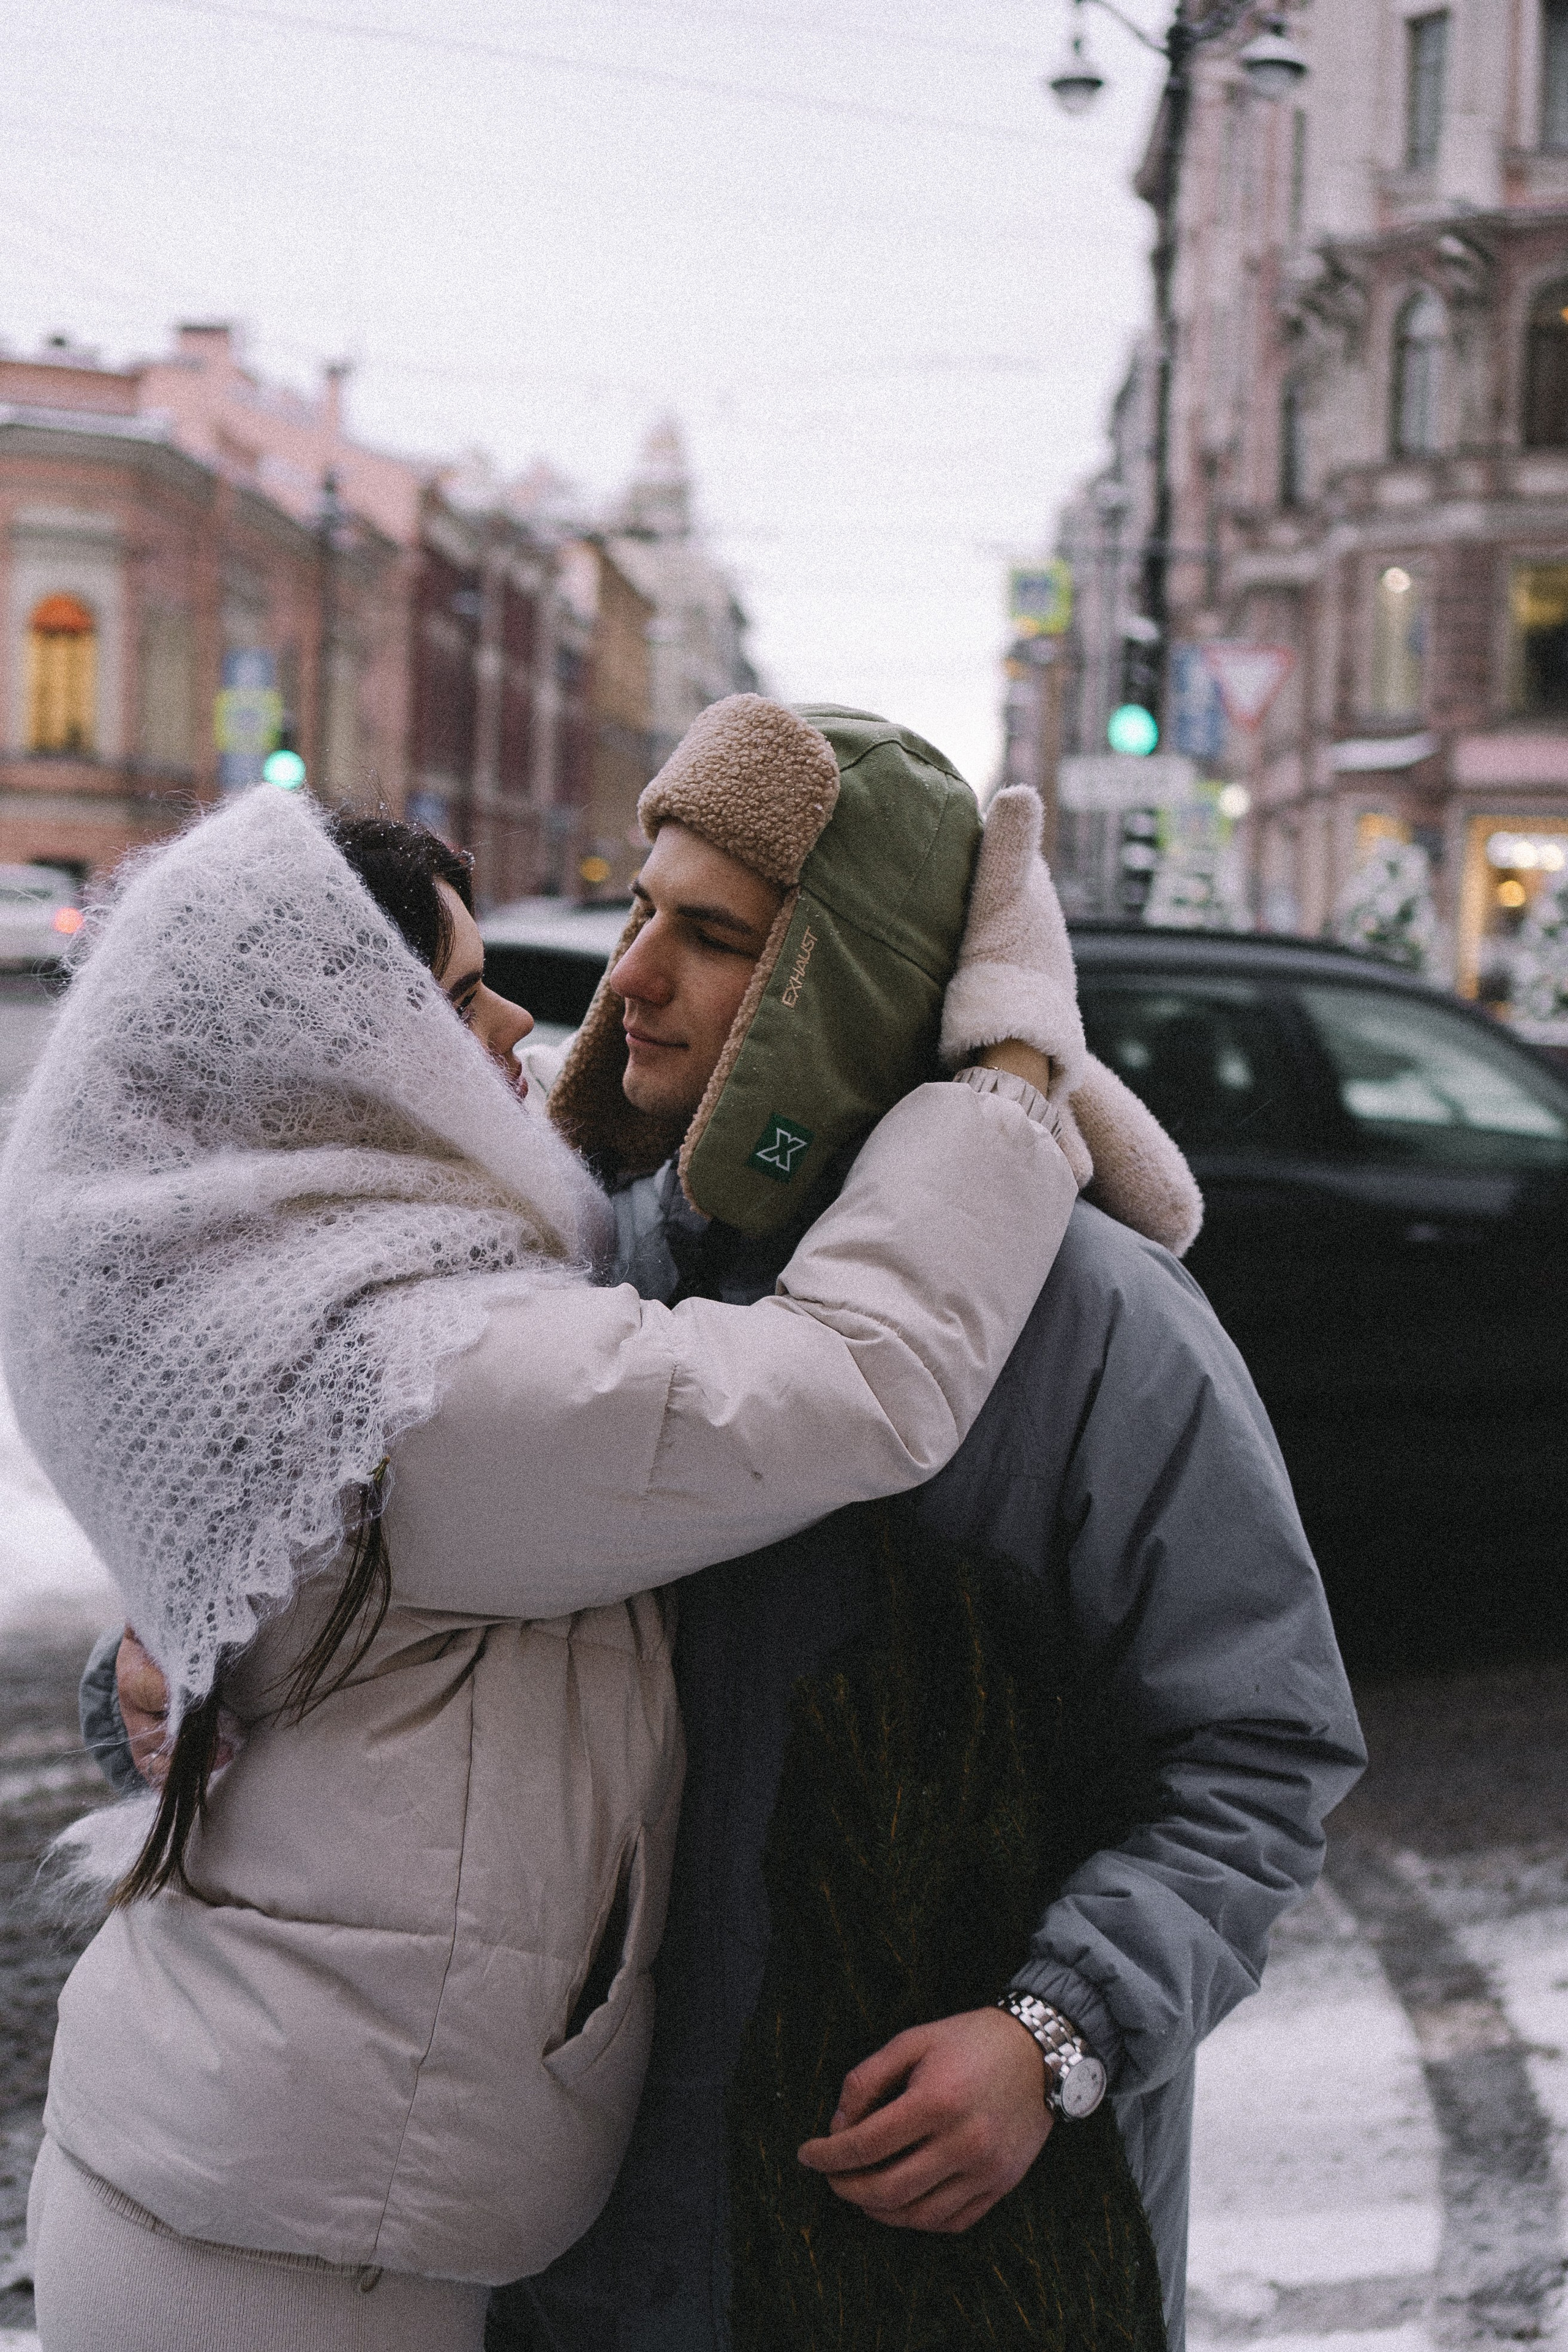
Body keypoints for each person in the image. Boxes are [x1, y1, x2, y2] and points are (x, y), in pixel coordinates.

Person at [11, 767, 1084, 2352]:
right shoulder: (419, 1377)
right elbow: (854, 1383)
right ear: (344, 1063)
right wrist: (1007, 1079)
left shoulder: (272, 1298)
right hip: (294, 2251)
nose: (522, 1024)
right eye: (459, 998)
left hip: (244, 2165)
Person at [482, 699, 1365, 2352]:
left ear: (845, 988)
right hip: (581, 2258)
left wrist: (1053, 2035)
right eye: (637, 911)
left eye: (715, 936)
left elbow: (1257, 1754)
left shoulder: (1101, 1325)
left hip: (951, 2266)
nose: (630, 979)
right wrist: (176, 1663)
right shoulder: (580, 1257)